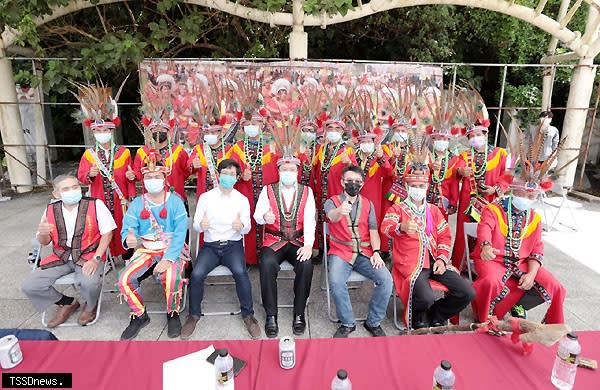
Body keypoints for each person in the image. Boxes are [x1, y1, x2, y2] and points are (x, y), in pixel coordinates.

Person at [471, 126, 566, 324]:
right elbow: (484, 228)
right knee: (490, 281)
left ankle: (520, 306)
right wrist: (486, 245)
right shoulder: (494, 208)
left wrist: (531, 274)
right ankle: (485, 318)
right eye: (521, 194)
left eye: (530, 196)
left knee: (556, 287)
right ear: (513, 191)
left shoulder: (534, 218)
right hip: (493, 260)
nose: (525, 198)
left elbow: (536, 251)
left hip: (522, 264)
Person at [381, 156, 474, 329]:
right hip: (411, 263)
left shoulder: (434, 210)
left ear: (427, 187)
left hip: (435, 260)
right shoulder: (398, 208)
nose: (418, 189)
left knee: (467, 292)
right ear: (407, 188)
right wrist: (401, 227)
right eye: (414, 186)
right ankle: (418, 317)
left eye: (421, 186)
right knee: (426, 297)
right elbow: (385, 227)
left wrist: (441, 259)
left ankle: (437, 313)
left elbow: (445, 236)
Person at [181, 159, 262, 340]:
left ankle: (248, 315)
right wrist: (201, 225)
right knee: (196, 274)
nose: (228, 177)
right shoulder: (206, 197)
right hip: (210, 246)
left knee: (241, 272)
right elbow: (195, 225)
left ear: (237, 178)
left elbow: (247, 227)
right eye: (225, 173)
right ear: (218, 175)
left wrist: (241, 225)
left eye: (232, 174)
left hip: (232, 245)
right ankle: (193, 315)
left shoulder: (241, 200)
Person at [22, 175, 115, 327]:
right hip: (61, 256)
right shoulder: (50, 210)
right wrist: (43, 233)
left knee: (89, 282)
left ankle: (90, 306)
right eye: (66, 189)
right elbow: (44, 242)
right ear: (56, 194)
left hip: (89, 254)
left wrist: (96, 259)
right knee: (30, 285)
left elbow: (107, 234)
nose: (72, 191)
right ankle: (67, 303)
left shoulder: (95, 205)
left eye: (75, 187)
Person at [118, 151, 189, 339]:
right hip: (146, 249)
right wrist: (129, 238)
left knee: (172, 275)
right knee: (124, 278)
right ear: (143, 179)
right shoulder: (136, 204)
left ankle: (172, 313)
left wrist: (168, 258)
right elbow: (127, 229)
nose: (153, 179)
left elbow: (181, 233)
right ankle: (139, 315)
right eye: (149, 177)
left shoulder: (175, 202)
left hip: (171, 249)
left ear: (164, 178)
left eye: (157, 176)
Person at [254, 129, 316, 338]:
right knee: (267, 263)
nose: (288, 173)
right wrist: (265, 217)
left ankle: (299, 313)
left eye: (292, 169)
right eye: (284, 169)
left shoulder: (307, 191)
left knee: (306, 265)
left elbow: (310, 219)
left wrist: (308, 245)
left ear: (297, 171)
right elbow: (257, 216)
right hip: (274, 240)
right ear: (279, 171)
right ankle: (271, 315)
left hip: (298, 241)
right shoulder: (267, 190)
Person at [325, 165, 393, 338]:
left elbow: (373, 232)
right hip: (341, 250)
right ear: (342, 182)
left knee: (386, 279)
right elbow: (331, 216)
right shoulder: (332, 201)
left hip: (364, 252)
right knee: (336, 281)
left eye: (357, 182)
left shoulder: (368, 204)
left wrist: (377, 252)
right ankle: (347, 323)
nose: (353, 184)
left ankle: (373, 321)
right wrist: (340, 211)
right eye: (349, 181)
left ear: (362, 184)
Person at [450, 88, 509, 269]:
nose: (475, 138)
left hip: (491, 201)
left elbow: (508, 176)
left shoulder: (500, 154)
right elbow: (455, 169)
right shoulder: (465, 154)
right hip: (469, 201)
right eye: (471, 136)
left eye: (478, 135)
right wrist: (460, 172)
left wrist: (496, 188)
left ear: (485, 134)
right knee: (463, 235)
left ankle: (485, 266)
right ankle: (460, 268)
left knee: (489, 232)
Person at [75, 85, 136, 259]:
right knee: (102, 227)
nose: (102, 133)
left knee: (123, 225)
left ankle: (127, 256)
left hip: (120, 198)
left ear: (111, 130)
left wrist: (131, 196)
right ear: (93, 132)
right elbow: (81, 177)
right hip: (100, 198)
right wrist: (90, 174)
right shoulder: (89, 155)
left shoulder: (123, 152)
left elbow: (130, 176)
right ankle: (105, 258)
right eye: (98, 130)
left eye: (105, 130)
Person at [228, 78, 279, 265]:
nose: (251, 127)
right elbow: (228, 172)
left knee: (267, 222)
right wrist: (242, 176)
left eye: (255, 123)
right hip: (245, 192)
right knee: (246, 221)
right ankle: (248, 258)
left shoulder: (271, 146)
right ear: (243, 127)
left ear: (261, 125)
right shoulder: (237, 148)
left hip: (266, 193)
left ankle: (267, 258)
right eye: (248, 124)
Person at [313, 91, 356, 260]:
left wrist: (348, 163)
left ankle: (335, 250)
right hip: (322, 192)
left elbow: (356, 173)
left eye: (337, 129)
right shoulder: (322, 149)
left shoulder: (348, 150)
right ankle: (322, 249)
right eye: (330, 128)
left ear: (342, 131)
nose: (333, 131)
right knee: (322, 219)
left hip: (337, 193)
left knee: (337, 221)